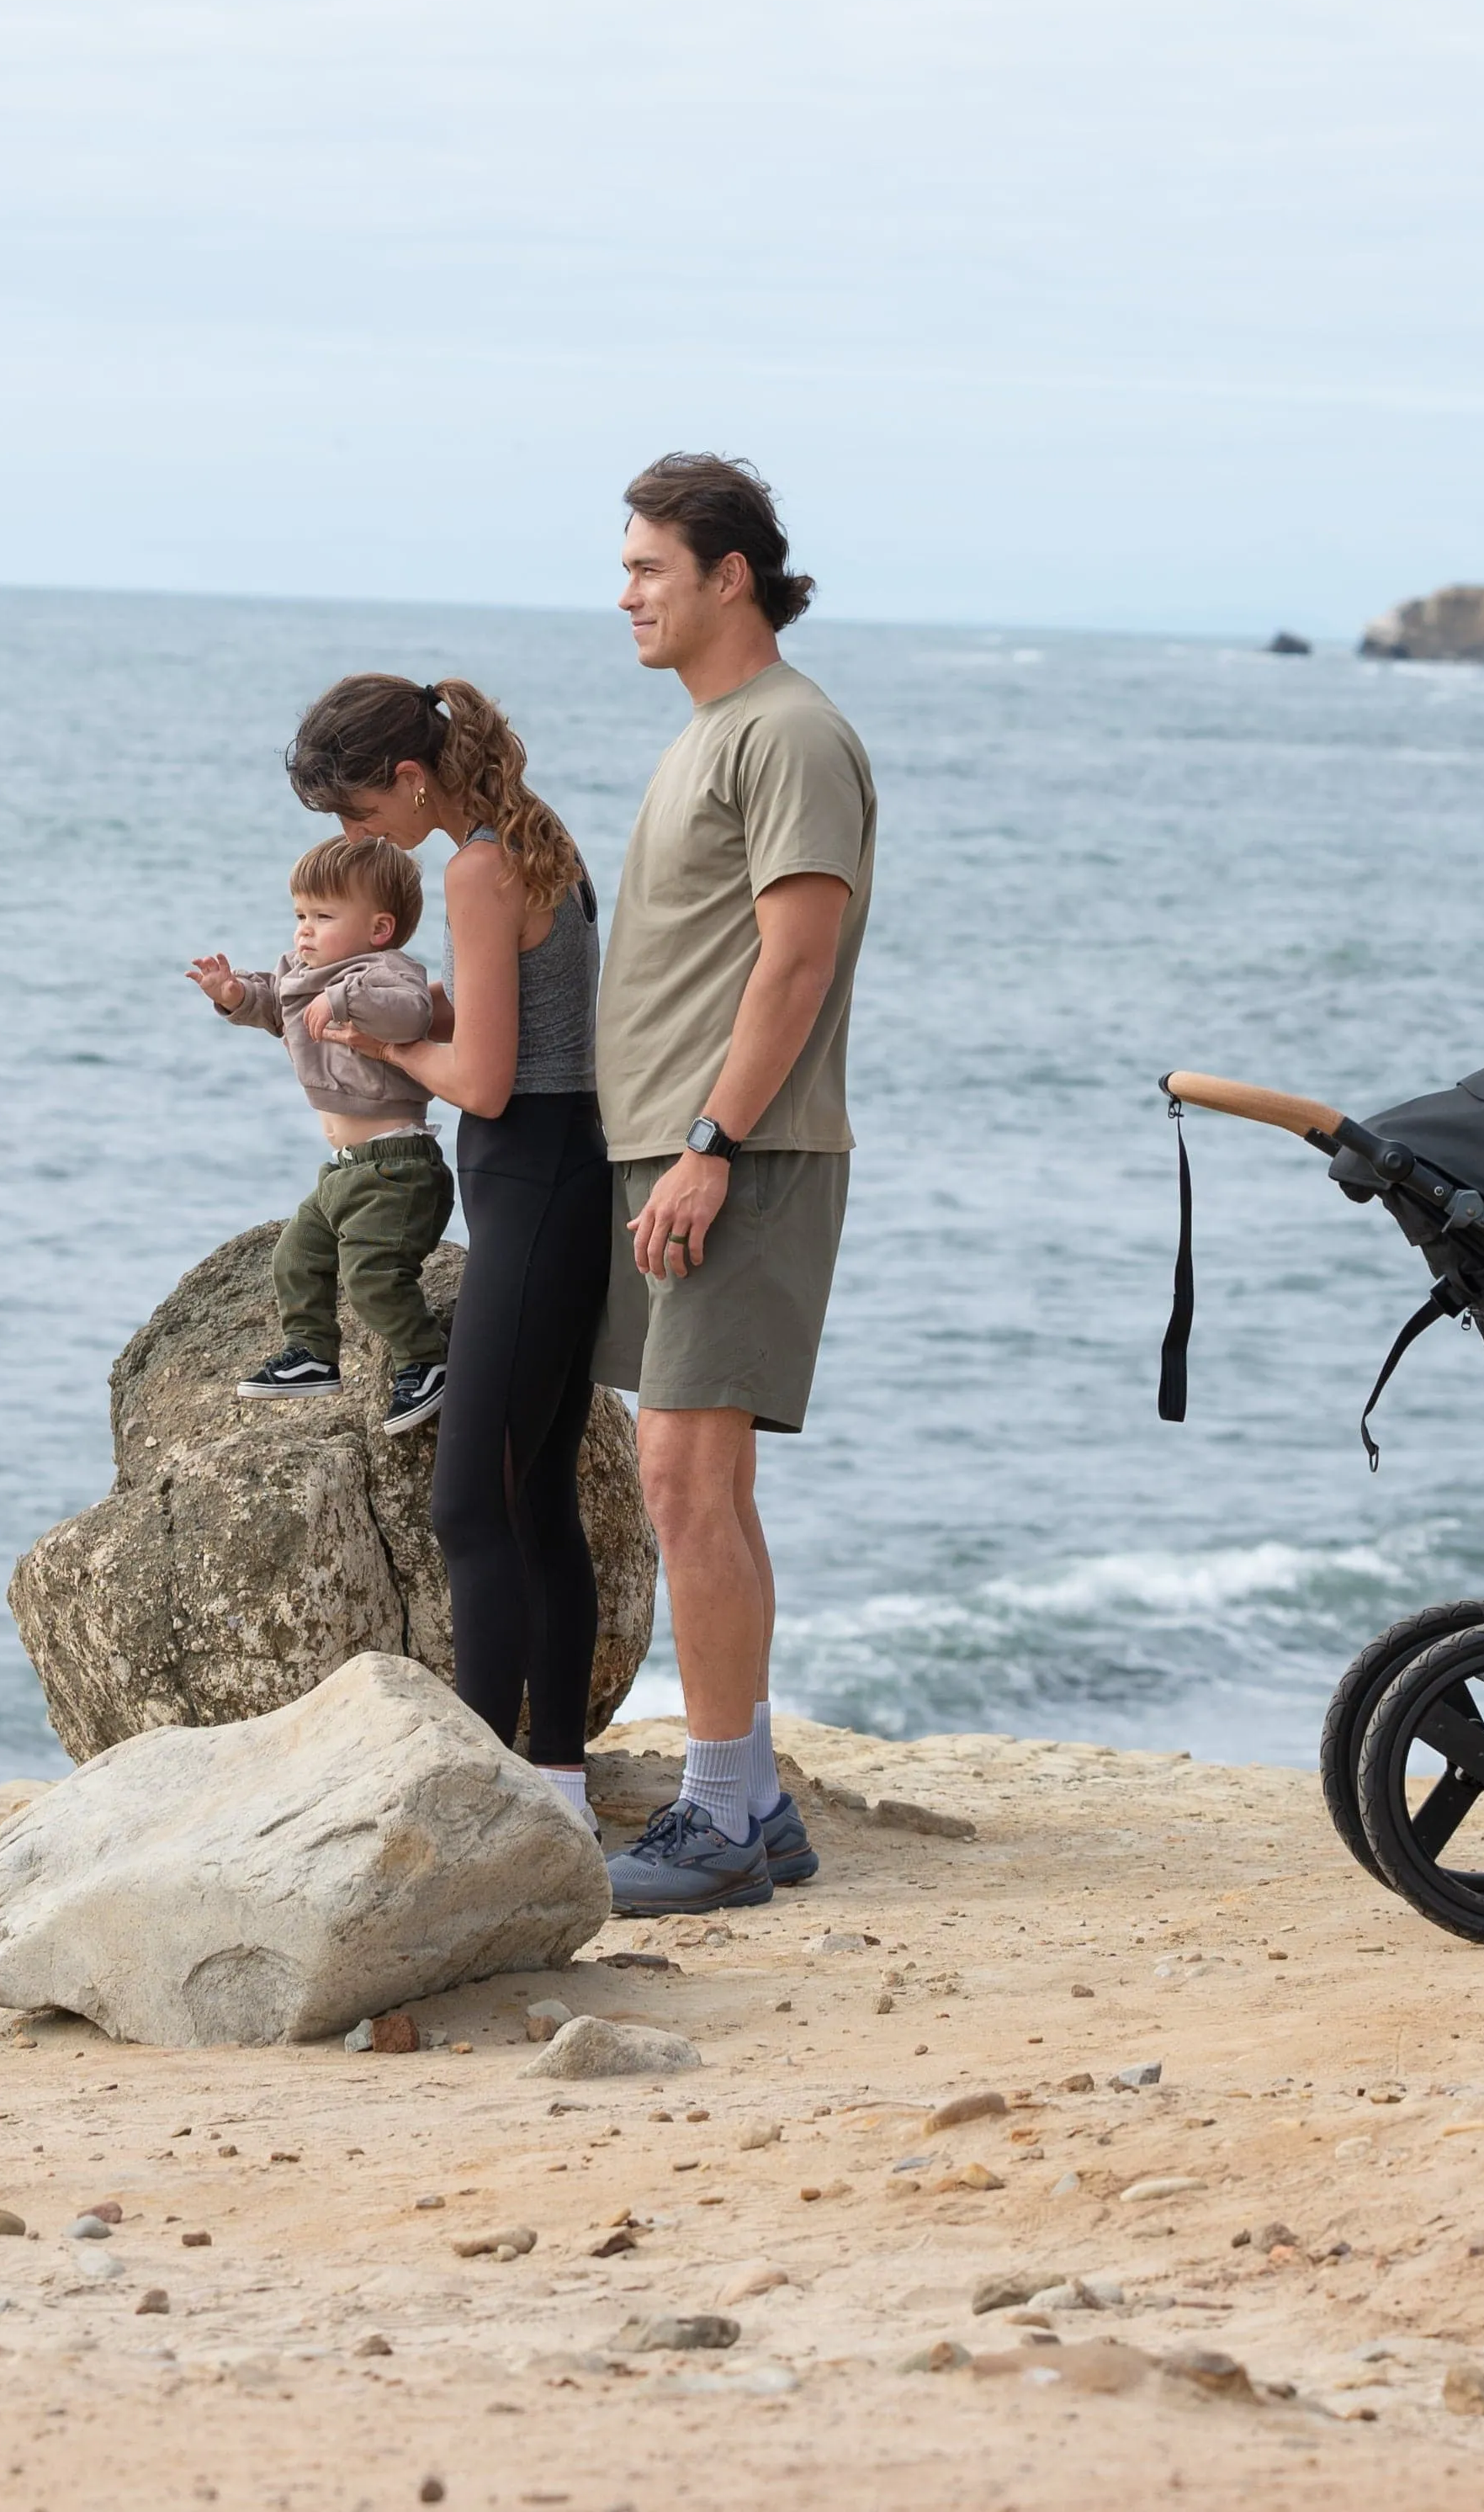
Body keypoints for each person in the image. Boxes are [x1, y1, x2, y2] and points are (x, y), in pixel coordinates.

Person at [596, 453, 875, 1915]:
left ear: (729, 575)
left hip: (735, 1150)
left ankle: (714, 1811)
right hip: (680, 1145)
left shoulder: (788, 733)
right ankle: (749, 1798)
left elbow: (797, 956)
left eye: (648, 565)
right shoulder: (714, 731)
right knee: (704, 1478)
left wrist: (709, 1143)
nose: (624, 591)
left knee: (684, 1477)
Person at [281, 674, 612, 1834]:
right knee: (539, 1502)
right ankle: (559, 1791)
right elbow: (514, 1029)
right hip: (569, 1173)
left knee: (473, 1503)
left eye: (358, 809)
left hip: (529, 1180)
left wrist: (375, 1033)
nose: (354, 835)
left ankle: (478, 1801)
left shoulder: (479, 866)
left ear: (411, 777)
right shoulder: (533, 833)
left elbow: (481, 1079)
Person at [187, 836, 453, 1426]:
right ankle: (312, 1355)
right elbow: (274, 1004)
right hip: (346, 1170)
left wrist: (344, 999)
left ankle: (426, 1361)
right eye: (300, 915)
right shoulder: (301, 973)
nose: (305, 931)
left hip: (398, 1166)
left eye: (324, 917)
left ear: (380, 928)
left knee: (372, 1275)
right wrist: (233, 996)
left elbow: (410, 1014)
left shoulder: (386, 973)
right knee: (295, 1257)